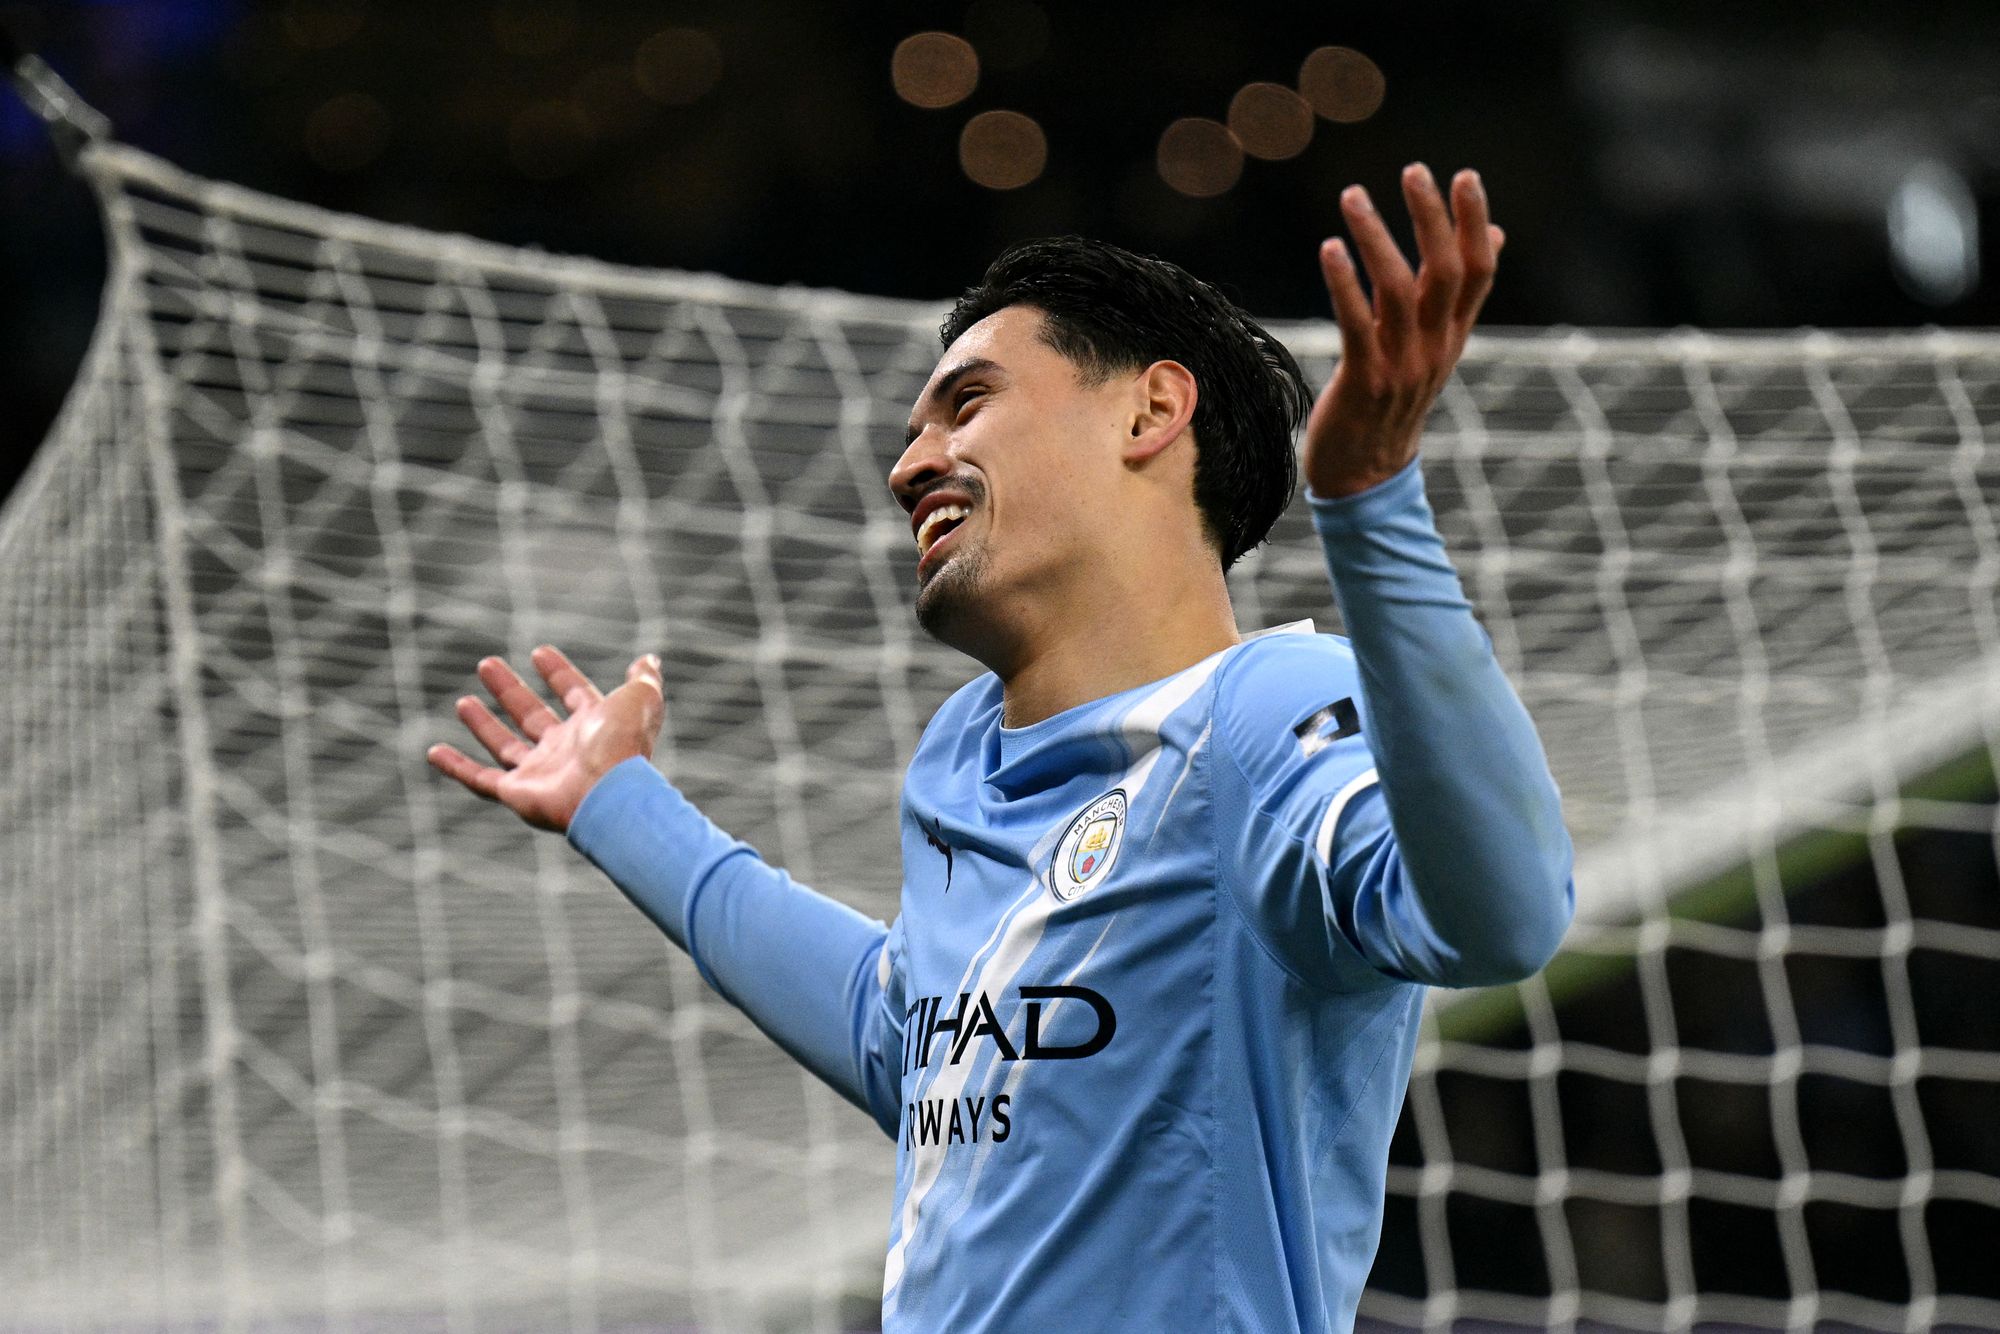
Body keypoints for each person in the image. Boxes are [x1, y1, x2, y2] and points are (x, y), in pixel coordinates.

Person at [428, 164, 1574, 1333]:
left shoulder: (1261, 711)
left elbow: (1501, 919)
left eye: (964, 403)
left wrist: (1370, 505)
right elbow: (912, 1045)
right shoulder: (961, 756)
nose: (907, 463)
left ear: (1148, 411)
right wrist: (617, 801)